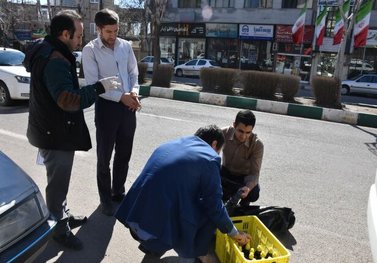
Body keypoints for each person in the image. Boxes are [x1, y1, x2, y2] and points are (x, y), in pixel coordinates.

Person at [23, 10, 120, 250]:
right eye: (77, 35)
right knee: (57, 186)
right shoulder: (55, 58)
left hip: (50, 129)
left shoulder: (48, 50)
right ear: (64, 34)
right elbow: (67, 100)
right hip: (54, 134)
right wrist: (98, 88)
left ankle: (62, 216)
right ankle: (58, 230)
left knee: (60, 182)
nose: (81, 40)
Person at [114, 125, 251, 262]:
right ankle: (192, 256)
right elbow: (214, 206)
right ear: (214, 144)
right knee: (209, 214)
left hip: (133, 217)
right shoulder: (209, 158)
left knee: (184, 202)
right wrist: (235, 233)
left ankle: (154, 249)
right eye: (219, 151)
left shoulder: (171, 144)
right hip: (152, 231)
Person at [82, 8, 140, 216]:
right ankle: (105, 199)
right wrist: (120, 97)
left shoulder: (125, 46)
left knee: (124, 153)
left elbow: (133, 72)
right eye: (108, 32)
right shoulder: (90, 51)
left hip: (128, 107)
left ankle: (118, 192)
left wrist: (133, 92)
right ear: (98, 29)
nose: (113, 36)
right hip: (107, 108)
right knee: (104, 156)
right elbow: (92, 84)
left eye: (115, 31)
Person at [221, 110, 264, 207]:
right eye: (240, 131)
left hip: (243, 179)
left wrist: (248, 188)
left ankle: (243, 204)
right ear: (234, 125)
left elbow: (254, 173)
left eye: (248, 132)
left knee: (254, 193)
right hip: (225, 173)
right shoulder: (223, 133)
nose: (243, 136)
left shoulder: (257, 145)